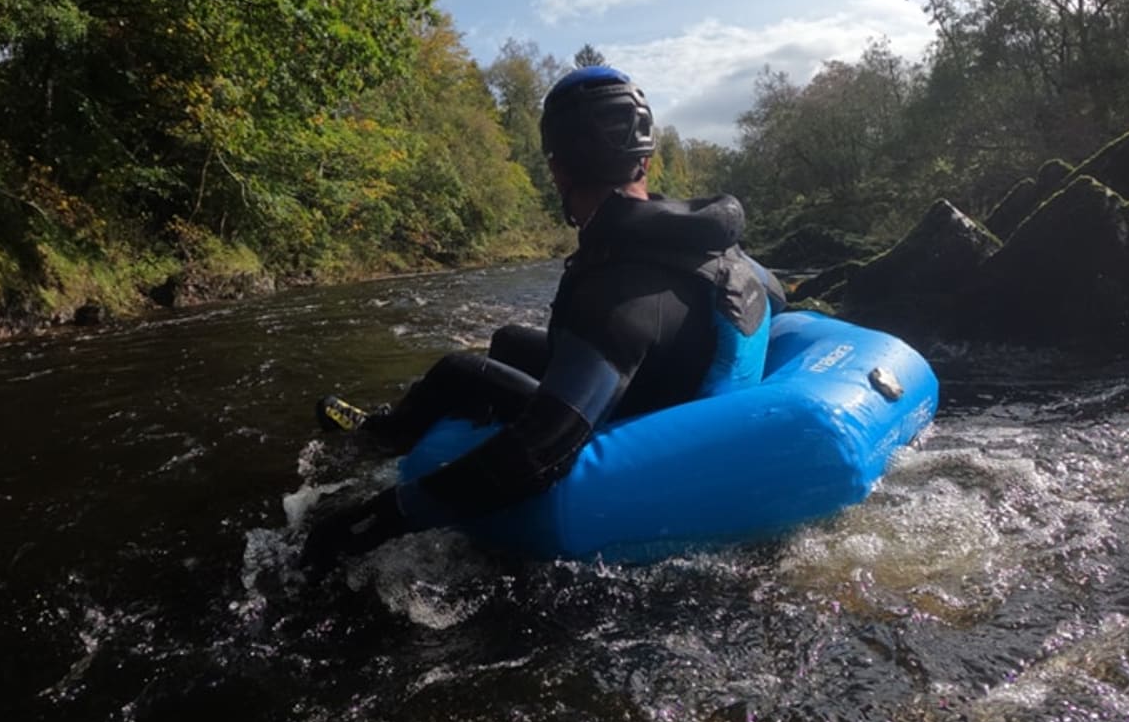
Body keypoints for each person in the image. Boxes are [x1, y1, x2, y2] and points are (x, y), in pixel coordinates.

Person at [300, 65, 785, 571]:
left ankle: (379, 436)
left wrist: (377, 518)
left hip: (640, 418)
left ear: (559, 169)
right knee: (509, 340)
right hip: (668, 380)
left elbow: (539, 452)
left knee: (457, 370)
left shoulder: (617, 294)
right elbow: (775, 299)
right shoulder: (707, 238)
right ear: (644, 159)